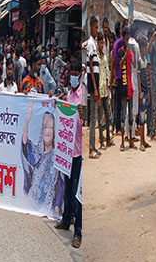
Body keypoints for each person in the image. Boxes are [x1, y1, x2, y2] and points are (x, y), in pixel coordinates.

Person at [54, 60, 83, 248]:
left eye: (75, 72)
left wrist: (83, 113)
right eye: (71, 72)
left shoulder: (82, 95)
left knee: (77, 194)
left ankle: (78, 233)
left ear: (80, 74)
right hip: (67, 150)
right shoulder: (69, 94)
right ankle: (66, 220)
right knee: (67, 188)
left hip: (78, 151)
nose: (73, 76)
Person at [21, 102, 63, 220]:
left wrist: (58, 205)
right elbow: (25, 148)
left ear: (54, 131)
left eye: (50, 127)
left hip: (48, 206)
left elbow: (60, 182)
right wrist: (27, 121)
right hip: (31, 202)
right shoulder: (37, 153)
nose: (47, 131)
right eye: (45, 127)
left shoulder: (57, 156)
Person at [86, 16, 101, 158]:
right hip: (92, 85)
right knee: (92, 117)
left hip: (94, 83)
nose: (97, 30)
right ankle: (91, 148)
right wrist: (95, 88)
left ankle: (93, 146)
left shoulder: (94, 44)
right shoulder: (91, 44)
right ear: (91, 27)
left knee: (94, 115)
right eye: (96, 27)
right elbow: (90, 66)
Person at [125, 26, 140, 145]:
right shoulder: (136, 45)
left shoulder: (126, 44)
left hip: (126, 79)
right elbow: (136, 65)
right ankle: (133, 134)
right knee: (133, 110)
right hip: (133, 79)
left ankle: (126, 134)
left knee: (126, 110)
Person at [137, 36, 151, 151]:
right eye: (145, 47)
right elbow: (138, 77)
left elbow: (146, 76)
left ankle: (143, 140)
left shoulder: (145, 60)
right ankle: (141, 143)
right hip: (142, 92)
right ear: (141, 48)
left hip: (146, 91)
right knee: (141, 118)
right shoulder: (139, 61)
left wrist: (148, 92)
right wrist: (141, 93)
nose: (146, 49)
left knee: (144, 116)